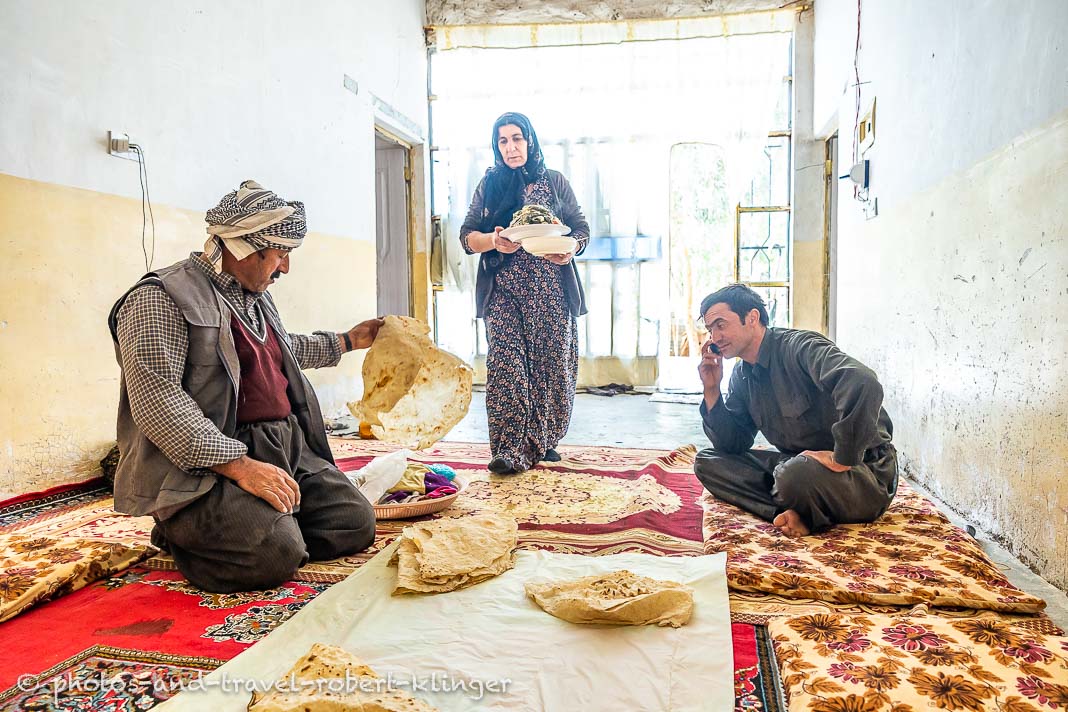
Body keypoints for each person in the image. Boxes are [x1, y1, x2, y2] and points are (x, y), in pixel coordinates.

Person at [108, 179, 382, 592]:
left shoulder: (253, 293)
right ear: (244, 249)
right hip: (206, 466)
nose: (285, 268)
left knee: (354, 523)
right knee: (275, 553)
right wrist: (239, 466)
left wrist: (348, 341)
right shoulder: (158, 298)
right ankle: (181, 528)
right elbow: (158, 402)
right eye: (281, 254)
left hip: (280, 448)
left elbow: (281, 353)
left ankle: (254, 525)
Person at [693, 283, 897, 537]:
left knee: (793, 475)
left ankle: (799, 509)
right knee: (708, 462)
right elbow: (732, 444)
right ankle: (796, 514)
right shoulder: (742, 375)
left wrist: (843, 457)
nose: (715, 337)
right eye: (711, 329)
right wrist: (712, 389)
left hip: (862, 473)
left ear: (752, 318)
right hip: (799, 468)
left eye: (721, 325)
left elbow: (863, 382)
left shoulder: (800, 347)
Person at [459, 112, 591, 474]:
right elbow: (467, 236)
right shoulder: (489, 186)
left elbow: (580, 229)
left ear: (529, 141)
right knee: (506, 366)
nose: (511, 147)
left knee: (550, 367)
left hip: (550, 289)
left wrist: (571, 249)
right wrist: (493, 241)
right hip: (503, 290)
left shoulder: (554, 182)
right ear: (495, 146)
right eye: (502, 141)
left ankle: (542, 439)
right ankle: (508, 449)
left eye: (517, 138)